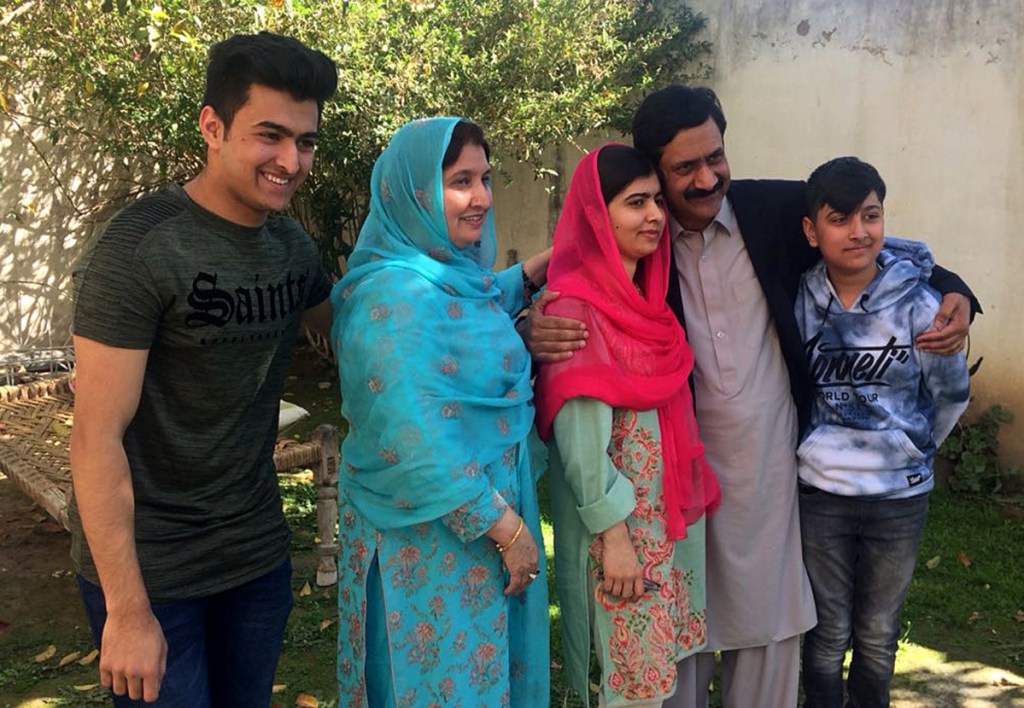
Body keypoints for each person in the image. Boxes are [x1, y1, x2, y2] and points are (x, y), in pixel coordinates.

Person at [525, 85, 978, 708]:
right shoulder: (638, 248)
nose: (709, 179)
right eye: (685, 168)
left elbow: (870, 243)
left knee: (768, 630)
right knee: (675, 630)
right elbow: (578, 276)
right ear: (653, 172)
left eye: (716, 157)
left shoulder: (772, 209)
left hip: (769, 471)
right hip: (672, 484)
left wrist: (956, 291)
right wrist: (528, 326)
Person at [68, 33, 337, 706]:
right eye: (269, 135)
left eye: (304, 142)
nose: (289, 160)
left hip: (254, 555)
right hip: (152, 572)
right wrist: (128, 611)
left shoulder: (292, 247)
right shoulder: (140, 247)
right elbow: (95, 436)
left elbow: (371, 328)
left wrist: (509, 310)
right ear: (212, 127)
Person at [331, 117, 550, 707]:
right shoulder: (389, 299)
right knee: (431, 683)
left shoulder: (453, 279)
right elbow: (413, 438)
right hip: (425, 544)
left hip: (479, 527)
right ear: (416, 193)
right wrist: (508, 532)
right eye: (459, 182)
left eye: (484, 179)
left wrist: (538, 268)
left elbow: (471, 310)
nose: (480, 197)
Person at [534, 144, 721, 707]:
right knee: (624, 685)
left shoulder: (649, 310)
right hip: (615, 541)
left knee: (652, 682)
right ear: (598, 215)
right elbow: (581, 444)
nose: (656, 217)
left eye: (657, 201)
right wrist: (614, 539)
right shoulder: (575, 310)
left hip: (661, 532)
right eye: (635, 203)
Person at [795, 157, 969, 707]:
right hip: (820, 495)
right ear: (811, 230)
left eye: (870, 216)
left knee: (877, 635)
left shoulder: (923, 306)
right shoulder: (798, 303)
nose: (858, 232)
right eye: (840, 218)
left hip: (899, 499)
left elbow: (950, 395)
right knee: (824, 635)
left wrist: (912, 451)